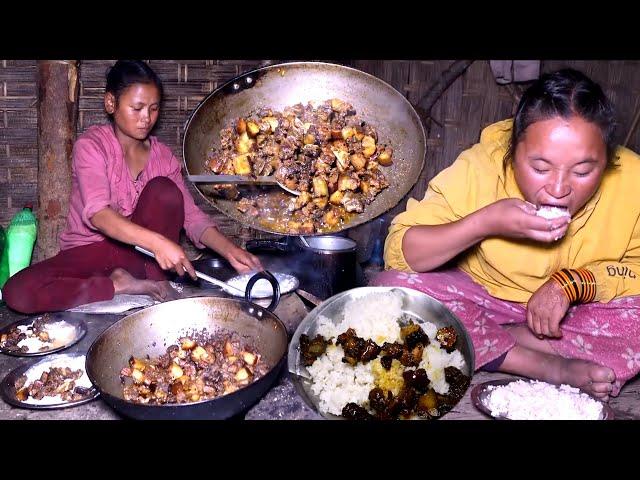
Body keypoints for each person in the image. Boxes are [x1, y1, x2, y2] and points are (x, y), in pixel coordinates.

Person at [373, 68, 640, 402]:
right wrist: (486, 222)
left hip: (574, 315)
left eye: (584, 171)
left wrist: (575, 283)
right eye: (540, 168)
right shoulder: (482, 165)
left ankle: (486, 340)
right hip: (479, 298)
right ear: (513, 152)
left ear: (608, 160)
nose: (558, 189)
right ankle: (543, 364)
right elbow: (402, 251)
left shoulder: (633, 180)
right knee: (391, 293)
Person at [2, 60, 262, 314]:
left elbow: (192, 218)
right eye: (137, 108)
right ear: (111, 103)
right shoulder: (92, 146)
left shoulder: (162, 157)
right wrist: (158, 243)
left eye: (153, 108)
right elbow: (99, 215)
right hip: (91, 253)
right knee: (18, 291)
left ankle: (155, 282)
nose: (146, 118)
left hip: (143, 260)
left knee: (164, 191)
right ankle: (117, 285)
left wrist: (231, 251)